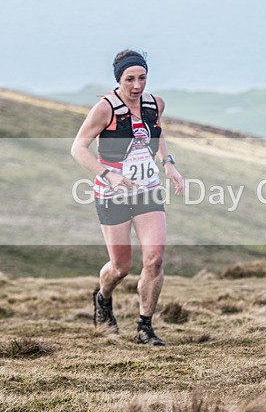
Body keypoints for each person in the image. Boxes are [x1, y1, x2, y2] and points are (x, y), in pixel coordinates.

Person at [71, 50, 184, 346]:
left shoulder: (154, 104)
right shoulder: (105, 109)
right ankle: (103, 298)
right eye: (129, 79)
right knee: (121, 267)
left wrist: (169, 164)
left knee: (155, 259)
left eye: (142, 78)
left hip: (147, 190)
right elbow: (78, 149)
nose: (137, 85)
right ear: (118, 79)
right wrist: (108, 175)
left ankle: (145, 326)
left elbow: (156, 135)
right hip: (112, 193)